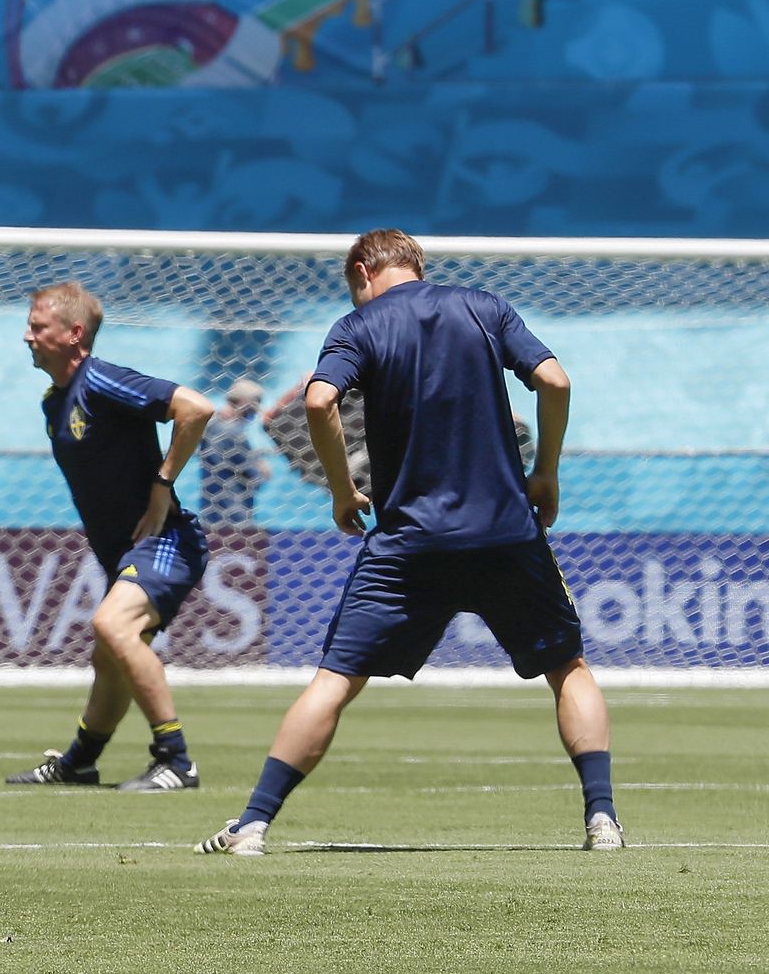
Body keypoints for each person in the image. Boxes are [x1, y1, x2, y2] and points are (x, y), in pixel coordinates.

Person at [195, 229, 622, 856]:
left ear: (364, 271)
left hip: (410, 541)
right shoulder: (486, 307)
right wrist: (547, 471)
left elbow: (318, 401)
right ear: (417, 266)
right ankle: (603, 821)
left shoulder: (357, 327)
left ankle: (254, 825)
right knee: (567, 668)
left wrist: (343, 491)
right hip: (505, 532)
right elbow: (554, 382)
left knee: (336, 679)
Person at [6, 281, 214, 791]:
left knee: (113, 628)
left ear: (74, 333)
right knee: (110, 655)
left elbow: (196, 408)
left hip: (166, 542)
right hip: (122, 552)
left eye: (38, 326)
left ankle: (176, 760)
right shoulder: (55, 402)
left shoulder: (101, 380)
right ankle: (80, 761)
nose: (26, 336)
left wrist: (163, 483)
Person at [198, 377, 269, 528]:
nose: (253, 415)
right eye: (251, 410)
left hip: (210, 513)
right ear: (243, 402)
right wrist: (262, 468)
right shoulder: (234, 433)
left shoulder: (210, 426)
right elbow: (257, 478)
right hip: (235, 516)